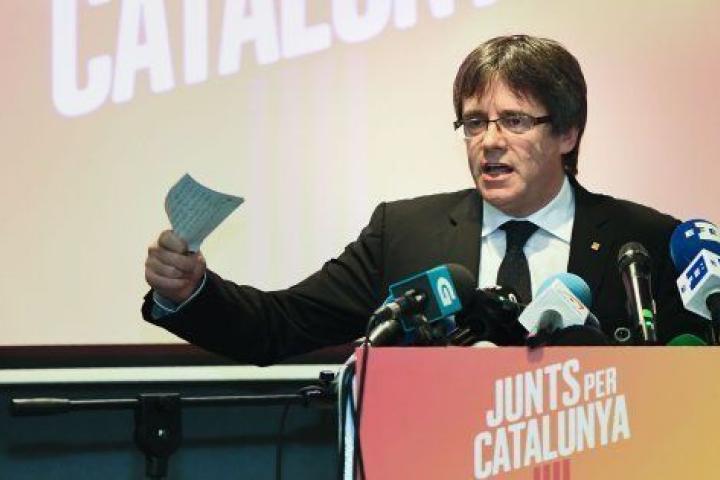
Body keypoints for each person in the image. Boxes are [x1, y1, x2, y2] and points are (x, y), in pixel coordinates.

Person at [142, 35, 707, 365]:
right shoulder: (405, 233)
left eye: (513, 120)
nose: (489, 141)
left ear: (566, 133)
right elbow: (279, 325)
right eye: (474, 122)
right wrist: (191, 292)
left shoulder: (646, 243)